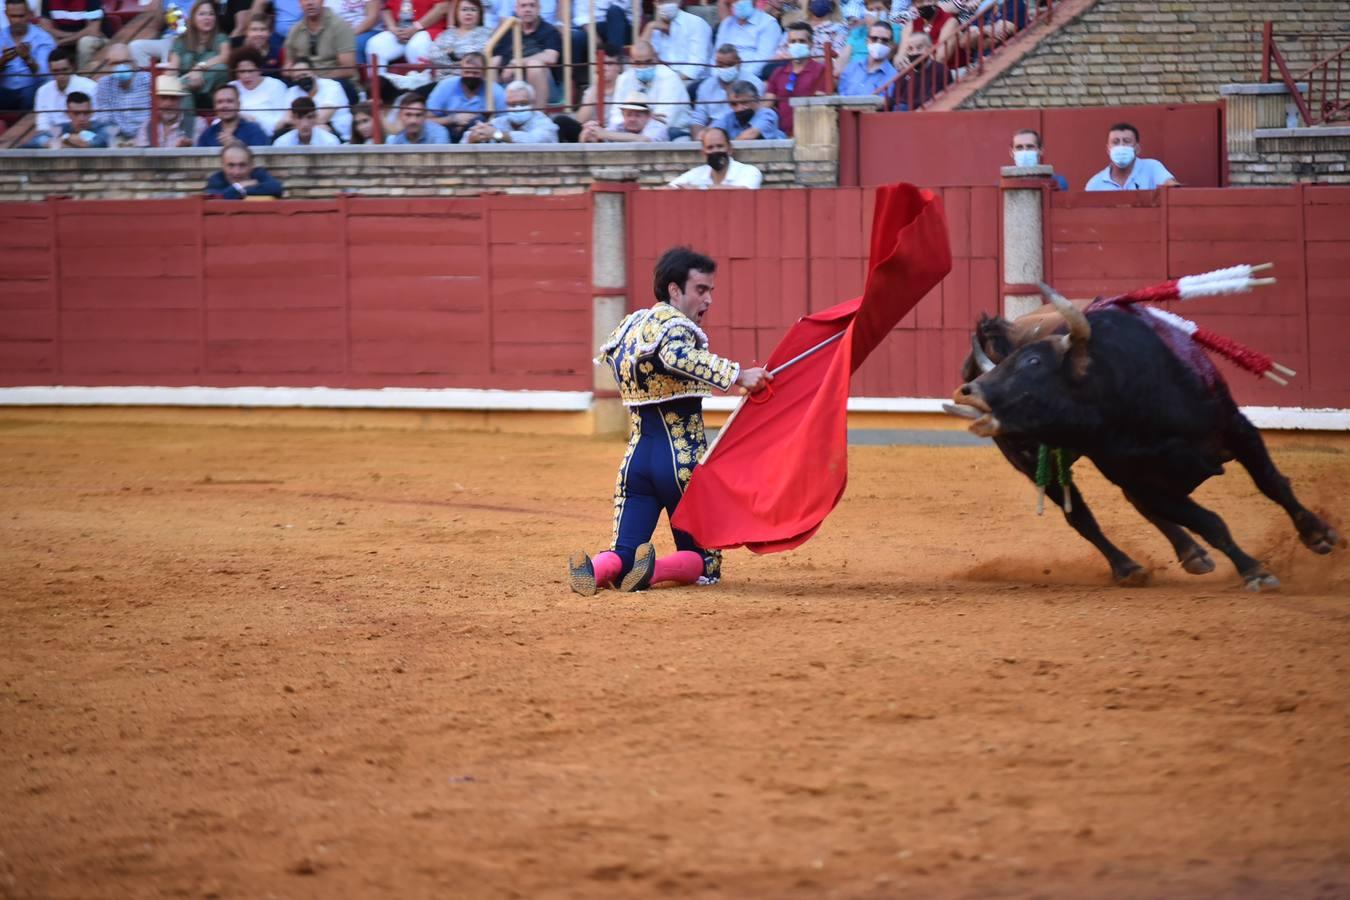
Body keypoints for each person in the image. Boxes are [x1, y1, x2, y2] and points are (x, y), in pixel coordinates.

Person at [567, 246, 771, 596]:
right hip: (682, 464)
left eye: (710, 291)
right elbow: (675, 355)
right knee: (704, 563)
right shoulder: (676, 327)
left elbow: (622, 361)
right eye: (700, 290)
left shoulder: (630, 325)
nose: (708, 300)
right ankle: (655, 571)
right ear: (674, 290)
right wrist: (738, 375)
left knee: (624, 551)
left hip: (636, 461)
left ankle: (596, 569)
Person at [608, 39, 688, 135]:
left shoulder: (670, 78)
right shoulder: (624, 78)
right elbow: (616, 115)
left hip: (673, 132)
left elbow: (664, 120)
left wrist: (632, 124)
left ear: (656, 59)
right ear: (631, 61)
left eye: (648, 62)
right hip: (631, 132)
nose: (643, 67)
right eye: (638, 63)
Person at [424, 50, 503, 141]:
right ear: (461, 71)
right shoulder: (445, 86)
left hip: (482, 138)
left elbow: (505, 122)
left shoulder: (495, 91)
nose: (470, 76)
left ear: (484, 72)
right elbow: (426, 121)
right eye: (467, 72)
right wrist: (452, 119)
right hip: (446, 137)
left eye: (475, 73)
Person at [166, 0, 230, 110]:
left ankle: (182, 87)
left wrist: (199, 68)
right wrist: (168, 78)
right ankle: (183, 88)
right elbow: (173, 68)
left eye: (211, 14)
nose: (207, 18)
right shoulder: (181, 41)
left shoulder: (221, 38)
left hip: (211, 97)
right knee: (184, 93)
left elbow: (225, 57)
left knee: (221, 68)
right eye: (202, 14)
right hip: (187, 94)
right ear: (193, 18)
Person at [687, 43, 761, 139]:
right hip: (712, 135)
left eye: (730, 65)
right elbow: (698, 119)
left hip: (742, 132)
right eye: (721, 65)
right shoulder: (706, 86)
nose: (725, 69)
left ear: (739, 63)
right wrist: (698, 140)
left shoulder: (754, 83)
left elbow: (758, 115)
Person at [762, 20, 824, 135]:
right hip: (781, 135)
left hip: (810, 134)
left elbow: (820, 106)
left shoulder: (820, 71)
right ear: (787, 45)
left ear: (811, 44)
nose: (797, 45)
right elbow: (767, 104)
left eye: (802, 41)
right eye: (793, 41)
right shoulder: (778, 72)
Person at [1085, 122, 1178, 191]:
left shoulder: (1152, 167)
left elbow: (1172, 189)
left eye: (1127, 141)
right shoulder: (1095, 183)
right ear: (1108, 150)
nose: (1121, 146)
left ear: (1137, 148)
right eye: (1115, 142)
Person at [499, 0, 560, 106]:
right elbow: (498, 58)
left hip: (545, 88)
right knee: (491, 62)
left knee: (534, 65)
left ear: (539, 9)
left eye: (532, 5)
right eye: (523, 6)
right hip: (512, 85)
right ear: (516, 9)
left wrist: (516, 63)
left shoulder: (550, 31)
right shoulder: (509, 31)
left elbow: (551, 57)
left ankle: (539, 115)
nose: (528, 9)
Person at [1, 0, 56, 113]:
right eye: (13, 16)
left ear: (29, 14)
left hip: (31, 90)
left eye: (21, 16)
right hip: (4, 90)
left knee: (31, 92)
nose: (17, 21)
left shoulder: (43, 38)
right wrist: (3, 61)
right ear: (6, 14)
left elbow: (45, 75)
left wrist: (28, 59)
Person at [30, 45, 94, 141]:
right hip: (54, 138)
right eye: (56, 71)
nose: (61, 76)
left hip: (85, 136)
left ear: (72, 68)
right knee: (36, 141)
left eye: (64, 70)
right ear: (49, 70)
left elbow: (95, 120)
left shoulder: (89, 87)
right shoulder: (43, 91)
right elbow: (43, 126)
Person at [91, 42, 150, 144]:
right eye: (115, 63)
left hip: (147, 136)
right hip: (118, 137)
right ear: (108, 66)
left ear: (134, 64)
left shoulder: (148, 81)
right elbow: (105, 118)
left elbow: (153, 118)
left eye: (125, 62)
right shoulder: (104, 84)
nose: (121, 66)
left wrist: (139, 139)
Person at [284, 0, 357, 82]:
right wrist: (293, 72)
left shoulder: (340, 26)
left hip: (337, 83)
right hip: (305, 83)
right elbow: (287, 68)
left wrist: (317, 80)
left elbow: (348, 70)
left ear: (323, 1)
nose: (309, 3)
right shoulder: (295, 30)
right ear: (299, 3)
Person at [462, 78, 556, 142]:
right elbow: (464, 140)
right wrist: (472, 138)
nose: (518, 108)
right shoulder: (500, 122)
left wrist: (497, 134)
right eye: (512, 104)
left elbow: (534, 141)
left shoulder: (544, 122)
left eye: (523, 103)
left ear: (532, 103)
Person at [668, 126, 762, 189]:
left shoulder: (749, 171)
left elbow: (745, 192)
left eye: (720, 146)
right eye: (710, 147)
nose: (715, 151)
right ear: (704, 152)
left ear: (730, 149)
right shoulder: (696, 173)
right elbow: (667, 189)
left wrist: (698, 189)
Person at [281, 56, 351, 139]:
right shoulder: (292, 91)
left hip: (337, 132)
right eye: (297, 77)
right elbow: (287, 119)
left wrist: (300, 124)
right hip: (306, 132)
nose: (302, 79)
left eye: (304, 74)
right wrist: (310, 126)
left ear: (313, 72)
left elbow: (323, 118)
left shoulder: (332, 86)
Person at [640, 0, 711, 82]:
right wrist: (649, 27)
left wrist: (671, 82)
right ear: (655, 4)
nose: (666, 5)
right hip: (662, 80)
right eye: (661, 2)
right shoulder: (656, 28)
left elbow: (696, 66)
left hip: (691, 81)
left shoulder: (695, 23)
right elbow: (640, 56)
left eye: (669, 1)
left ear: (679, 2)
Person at [364, 0, 441, 71]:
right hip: (400, 29)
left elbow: (443, 7)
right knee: (375, 44)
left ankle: (423, 83)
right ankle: (379, 83)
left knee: (416, 46)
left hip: (427, 28)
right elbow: (387, 8)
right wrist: (392, 27)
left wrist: (416, 27)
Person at [38, 0, 112, 73]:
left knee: (85, 42)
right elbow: (45, 29)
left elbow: (93, 30)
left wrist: (61, 42)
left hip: (98, 39)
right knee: (44, 41)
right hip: (67, 40)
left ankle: (84, 80)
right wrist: (73, 36)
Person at [426, 0, 492, 80]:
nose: (468, 13)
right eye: (464, 9)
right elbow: (432, 55)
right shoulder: (447, 33)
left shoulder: (487, 33)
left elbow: (477, 59)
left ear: (480, 13)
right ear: (457, 13)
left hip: (471, 80)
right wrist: (458, 61)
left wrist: (449, 54)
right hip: (442, 81)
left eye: (473, 10)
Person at [133, 72, 206, 145]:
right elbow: (142, 154)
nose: (168, 103)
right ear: (154, 100)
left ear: (180, 100)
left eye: (173, 98)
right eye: (163, 98)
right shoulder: (146, 127)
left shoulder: (197, 124)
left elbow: (202, 153)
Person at [228, 45, 288, 134]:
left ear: (259, 69)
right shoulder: (231, 87)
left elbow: (282, 119)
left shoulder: (276, 85)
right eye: (242, 72)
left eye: (250, 71)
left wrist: (256, 123)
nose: (246, 76)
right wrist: (241, 117)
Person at [714, 0, 780, 78]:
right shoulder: (727, 23)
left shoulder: (768, 24)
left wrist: (739, 77)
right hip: (721, 75)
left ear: (754, 1)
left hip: (751, 78)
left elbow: (762, 61)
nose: (739, 2)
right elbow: (716, 54)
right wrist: (716, 76)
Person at [204, 140, 285, 198]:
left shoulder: (258, 174)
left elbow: (276, 189)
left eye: (242, 165)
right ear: (223, 166)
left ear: (251, 165)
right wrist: (240, 186)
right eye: (231, 165)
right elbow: (220, 197)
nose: (237, 172)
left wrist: (237, 192)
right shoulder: (216, 179)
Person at [198, 81, 271, 145]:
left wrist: (236, 145)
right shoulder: (207, 134)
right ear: (214, 107)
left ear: (238, 105)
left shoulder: (254, 131)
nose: (224, 106)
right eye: (220, 102)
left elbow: (262, 158)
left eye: (229, 101)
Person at [837, 19, 893, 97]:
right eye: (874, 39)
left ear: (891, 45)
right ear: (867, 41)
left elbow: (884, 104)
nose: (879, 43)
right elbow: (841, 94)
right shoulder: (851, 67)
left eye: (885, 40)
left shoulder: (893, 76)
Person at [710, 78, 782, 139]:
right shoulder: (730, 116)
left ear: (756, 99)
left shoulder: (767, 114)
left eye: (744, 102)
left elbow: (751, 134)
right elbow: (709, 132)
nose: (739, 108)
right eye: (733, 104)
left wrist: (727, 147)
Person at [891, 30, 945, 110]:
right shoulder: (904, 73)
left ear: (930, 48)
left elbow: (933, 98)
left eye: (919, 48)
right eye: (910, 49)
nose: (914, 52)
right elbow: (895, 98)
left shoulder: (940, 70)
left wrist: (905, 105)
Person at [581, 94, 668, 142]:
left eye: (638, 115)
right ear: (623, 115)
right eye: (629, 115)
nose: (632, 119)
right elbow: (603, 137)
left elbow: (644, 140)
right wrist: (590, 133)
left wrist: (605, 134)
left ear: (648, 117)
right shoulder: (619, 126)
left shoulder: (657, 126)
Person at [42, 89, 110, 146]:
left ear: (91, 112)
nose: (82, 118)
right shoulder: (61, 128)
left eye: (86, 113)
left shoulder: (101, 127)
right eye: (76, 114)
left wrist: (66, 139)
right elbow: (35, 141)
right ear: (67, 114)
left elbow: (97, 142)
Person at [272, 93, 340, 144]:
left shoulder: (330, 142)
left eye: (309, 117)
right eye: (299, 118)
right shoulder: (282, 143)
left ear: (315, 117)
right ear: (292, 119)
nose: (305, 124)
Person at [384, 90, 449, 142]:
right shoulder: (394, 139)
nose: (413, 121)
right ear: (400, 115)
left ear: (425, 116)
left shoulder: (439, 134)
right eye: (408, 115)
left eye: (418, 115)